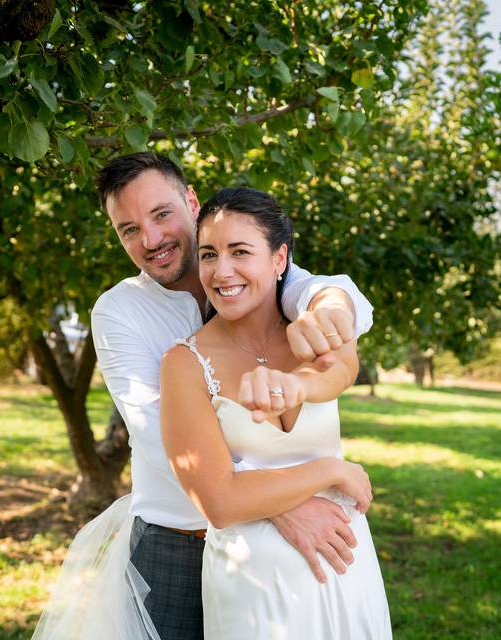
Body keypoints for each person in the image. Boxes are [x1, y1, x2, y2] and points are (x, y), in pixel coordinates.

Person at [30, 153, 374, 640]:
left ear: (191, 203)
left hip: (282, 557)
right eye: (128, 229)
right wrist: (283, 503)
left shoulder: (249, 272)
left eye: (161, 214)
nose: (151, 240)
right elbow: (159, 437)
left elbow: (327, 297)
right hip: (178, 541)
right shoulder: (118, 311)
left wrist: (331, 302)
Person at [160, 187, 390, 639]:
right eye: (208, 254)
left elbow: (341, 370)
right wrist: (330, 471)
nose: (221, 271)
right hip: (252, 589)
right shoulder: (183, 364)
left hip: (346, 568)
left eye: (239, 252)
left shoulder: (313, 327)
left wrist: (297, 384)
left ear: (279, 259)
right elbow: (220, 502)